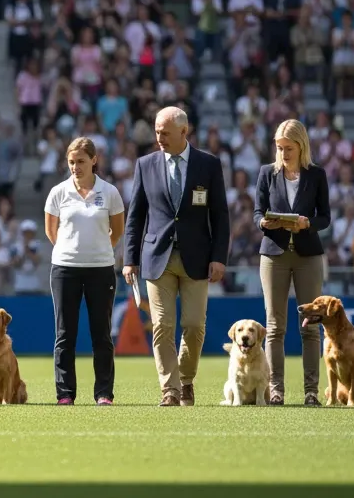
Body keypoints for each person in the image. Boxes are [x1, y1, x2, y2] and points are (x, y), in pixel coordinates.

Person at [122, 106, 230, 406]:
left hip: (198, 258)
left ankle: (185, 380)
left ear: (185, 132)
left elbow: (220, 215)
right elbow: (136, 216)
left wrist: (219, 256)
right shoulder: (145, 164)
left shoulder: (208, 165)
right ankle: (169, 390)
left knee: (194, 326)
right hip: (158, 258)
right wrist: (129, 259)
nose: (159, 138)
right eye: (157, 132)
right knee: (162, 325)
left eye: (165, 133)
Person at [254, 119, 330, 406]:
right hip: (273, 254)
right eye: (279, 148)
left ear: (301, 146)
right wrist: (263, 221)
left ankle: (311, 390)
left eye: (288, 148)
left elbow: (325, 216)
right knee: (274, 327)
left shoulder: (317, 175)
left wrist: (307, 224)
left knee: (310, 325)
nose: (283, 153)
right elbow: (256, 212)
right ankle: (276, 390)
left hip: (308, 255)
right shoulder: (267, 173)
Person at [44, 137, 125, 405]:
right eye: (71, 162)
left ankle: (104, 393)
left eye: (80, 161)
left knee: (101, 333)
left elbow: (117, 230)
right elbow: (51, 231)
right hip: (65, 269)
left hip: (101, 269)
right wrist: (71, 251)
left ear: (94, 160)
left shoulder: (110, 192)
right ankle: (65, 393)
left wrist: (98, 250)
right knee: (64, 334)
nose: (75, 167)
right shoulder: (58, 192)